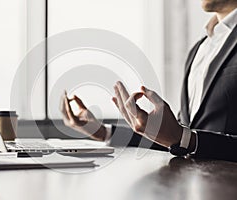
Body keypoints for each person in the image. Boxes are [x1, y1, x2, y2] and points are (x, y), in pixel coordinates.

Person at [61, 0, 237, 162]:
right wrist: (102, 132)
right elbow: (175, 139)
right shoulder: (199, 50)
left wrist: (185, 138)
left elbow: (185, 138)